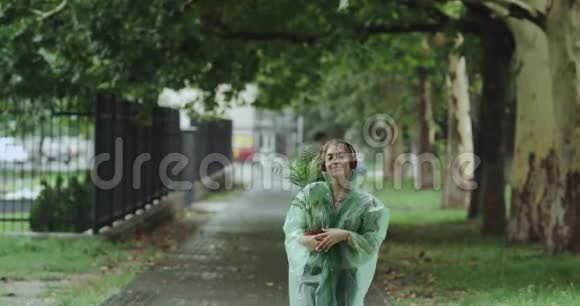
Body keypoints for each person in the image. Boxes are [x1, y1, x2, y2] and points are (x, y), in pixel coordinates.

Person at [283, 139, 390, 306]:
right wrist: (306, 240)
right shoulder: (310, 194)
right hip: (312, 276)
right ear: (324, 164)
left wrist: (346, 236)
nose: (335, 161)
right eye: (330, 157)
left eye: (341, 156)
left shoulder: (367, 205)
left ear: (352, 161)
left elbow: (372, 242)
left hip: (346, 278)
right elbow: (293, 229)